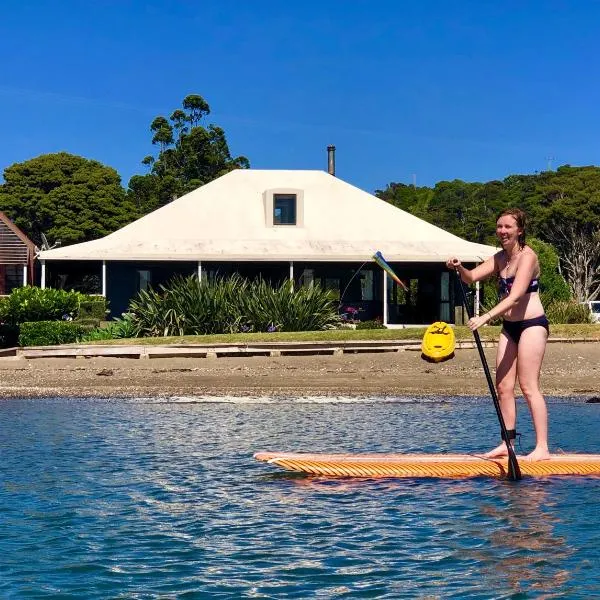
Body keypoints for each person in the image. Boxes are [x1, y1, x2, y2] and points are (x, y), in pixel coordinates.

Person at [446, 208, 550, 461]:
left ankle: (542, 448)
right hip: (509, 327)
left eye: (508, 227)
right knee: (503, 386)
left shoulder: (528, 257)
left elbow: (515, 297)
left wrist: (485, 317)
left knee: (528, 386)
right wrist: (459, 268)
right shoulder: (500, 257)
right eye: (499, 226)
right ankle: (508, 444)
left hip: (532, 325)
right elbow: (471, 278)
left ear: (520, 230)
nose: (502, 231)